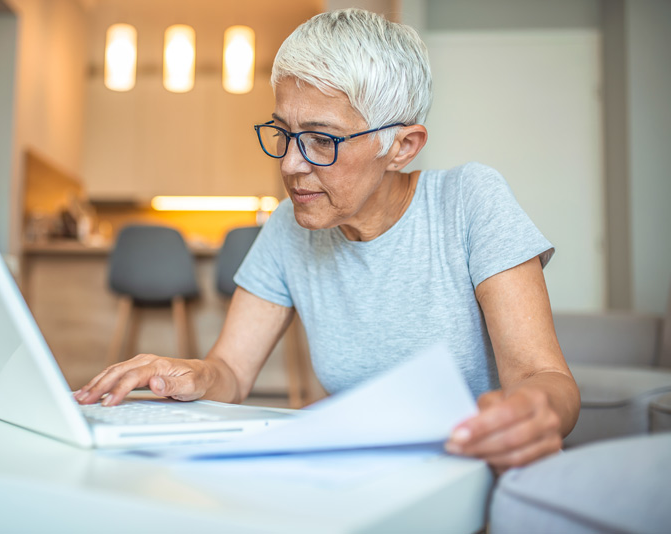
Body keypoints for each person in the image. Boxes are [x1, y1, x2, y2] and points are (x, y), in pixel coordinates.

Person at [75, 8, 580, 472]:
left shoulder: (469, 200)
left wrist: (532, 410)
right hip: (360, 468)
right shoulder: (287, 226)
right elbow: (229, 368)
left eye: (322, 140)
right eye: (284, 134)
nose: (291, 164)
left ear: (401, 146)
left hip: (471, 467)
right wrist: (193, 375)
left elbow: (544, 376)